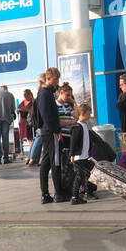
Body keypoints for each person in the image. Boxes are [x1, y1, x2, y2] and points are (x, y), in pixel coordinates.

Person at [38, 68, 64, 204]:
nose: (57, 82)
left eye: (57, 79)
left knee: (47, 162)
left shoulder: (47, 93)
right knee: (55, 162)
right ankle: (58, 193)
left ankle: (45, 194)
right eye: (55, 79)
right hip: (50, 132)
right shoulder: (45, 94)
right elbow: (47, 116)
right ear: (48, 79)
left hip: (47, 131)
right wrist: (56, 130)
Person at [66, 104, 94, 205]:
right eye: (88, 113)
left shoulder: (85, 125)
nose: (90, 115)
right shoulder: (77, 127)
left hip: (84, 155)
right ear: (82, 114)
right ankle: (74, 197)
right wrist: (72, 155)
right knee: (78, 176)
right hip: (78, 156)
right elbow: (73, 142)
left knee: (85, 175)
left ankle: (84, 192)